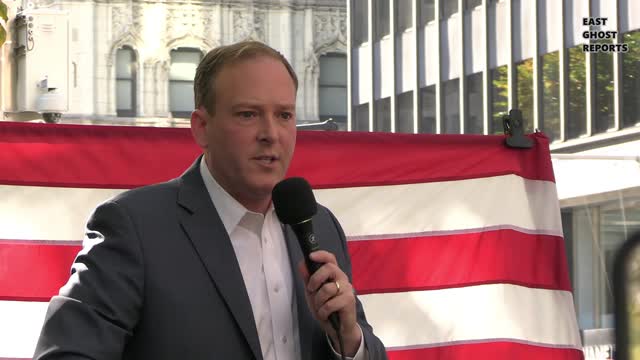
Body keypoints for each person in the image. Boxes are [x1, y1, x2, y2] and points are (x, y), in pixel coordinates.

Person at [33, 41, 387, 360]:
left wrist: (350, 342)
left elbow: (366, 348)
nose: (271, 134)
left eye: (284, 115)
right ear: (202, 127)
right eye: (248, 114)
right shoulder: (134, 227)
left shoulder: (318, 225)